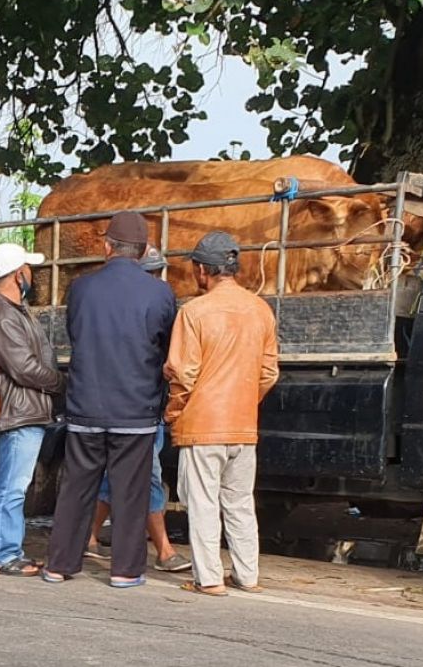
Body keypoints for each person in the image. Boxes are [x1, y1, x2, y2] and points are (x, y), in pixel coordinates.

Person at [42, 212, 175, 589]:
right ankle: (125, 570)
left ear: (106, 246)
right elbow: (166, 350)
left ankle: (59, 564)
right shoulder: (160, 293)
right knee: (130, 492)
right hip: (136, 409)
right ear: (146, 249)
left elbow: (75, 334)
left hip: (85, 405)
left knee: (75, 487)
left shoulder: (81, 289)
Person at [166, 231, 279, 596]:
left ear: (202, 270)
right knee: (240, 503)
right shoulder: (261, 309)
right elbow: (269, 373)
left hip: (201, 425)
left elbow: (183, 373)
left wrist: (175, 412)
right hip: (244, 426)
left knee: (202, 503)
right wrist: (245, 400)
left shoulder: (194, 312)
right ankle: (248, 576)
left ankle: (209, 579)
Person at [85, 246, 191, 574]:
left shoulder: (121, 309)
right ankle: (163, 549)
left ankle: (88, 538)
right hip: (140, 410)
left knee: (111, 474)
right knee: (149, 475)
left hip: (124, 405)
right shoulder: (153, 308)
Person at [0, 243, 64, 578]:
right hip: (20, 411)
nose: (33, 274)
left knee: (13, 484)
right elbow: (24, 368)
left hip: (25, 409)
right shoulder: (1, 314)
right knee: (12, 486)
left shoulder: (12, 308)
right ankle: (3, 554)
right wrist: (60, 383)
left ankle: (8, 550)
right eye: (29, 268)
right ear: (18, 274)